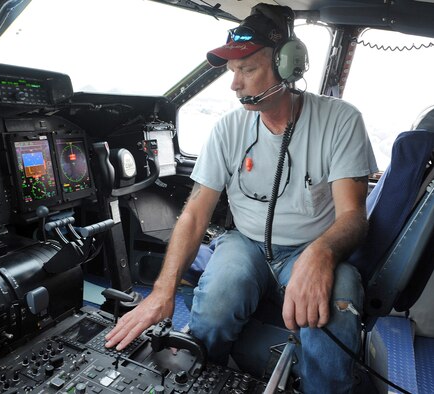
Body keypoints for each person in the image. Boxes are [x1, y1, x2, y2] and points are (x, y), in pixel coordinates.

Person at [105, 4, 378, 393]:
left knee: (329, 325)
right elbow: (195, 214)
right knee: (215, 306)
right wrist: (163, 293)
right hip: (245, 243)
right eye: (232, 72)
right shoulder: (228, 129)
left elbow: (353, 216)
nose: (235, 84)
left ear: (287, 67)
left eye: (247, 70)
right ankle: (201, 380)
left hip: (311, 246)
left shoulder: (341, 120)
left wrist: (320, 255)